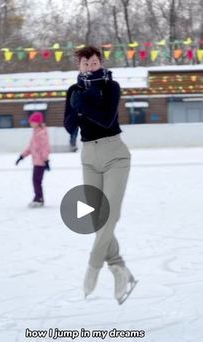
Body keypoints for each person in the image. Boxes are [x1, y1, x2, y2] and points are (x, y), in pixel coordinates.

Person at [64, 45, 134, 304]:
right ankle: (119, 268)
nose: (90, 67)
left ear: (100, 63)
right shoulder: (73, 91)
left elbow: (106, 120)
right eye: (85, 64)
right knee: (96, 217)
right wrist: (76, 107)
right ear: (79, 66)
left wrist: (84, 105)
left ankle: (93, 267)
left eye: (94, 62)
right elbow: (70, 126)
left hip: (115, 154)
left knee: (110, 214)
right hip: (89, 157)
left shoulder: (110, 87)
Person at [15, 112, 51, 208]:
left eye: (32, 121)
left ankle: (39, 199)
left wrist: (46, 160)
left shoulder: (41, 133)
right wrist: (22, 156)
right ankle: (38, 198)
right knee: (36, 180)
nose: (30, 123)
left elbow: (45, 148)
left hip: (41, 162)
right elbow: (31, 147)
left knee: (36, 180)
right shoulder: (36, 132)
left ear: (37, 122)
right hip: (37, 161)